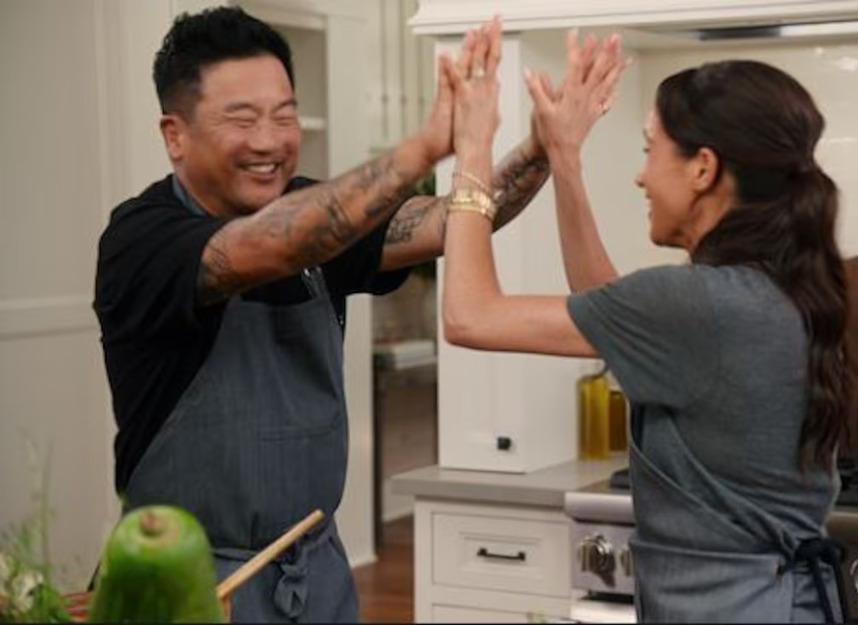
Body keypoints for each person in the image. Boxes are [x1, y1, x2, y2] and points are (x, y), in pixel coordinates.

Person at [91, 8, 553, 622]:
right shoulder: (141, 238)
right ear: (175, 134)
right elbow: (275, 242)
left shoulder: (312, 211)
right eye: (243, 119)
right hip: (187, 585)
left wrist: (543, 148)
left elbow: (448, 219)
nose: (269, 141)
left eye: (284, 115)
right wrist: (426, 145)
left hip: (316, 578)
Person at [441, 24, 850, 624]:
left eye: (649, 150)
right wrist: (564, 159)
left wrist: (473, 148)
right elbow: (608, 306)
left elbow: (469, 316)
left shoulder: (699, 304)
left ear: (702, 168)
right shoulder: (772, 287)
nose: (640, 176)